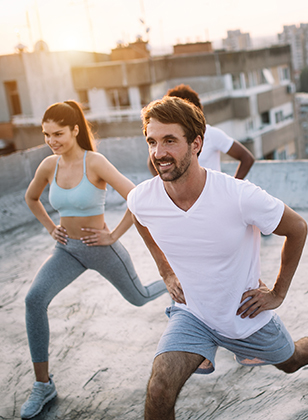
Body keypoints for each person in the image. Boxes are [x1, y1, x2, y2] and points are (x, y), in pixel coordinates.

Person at [128, 96, 308, 419]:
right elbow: (139, 217)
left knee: (292, 360)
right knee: (159, 387)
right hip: (193, 314)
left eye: (169, 141)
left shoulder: (238, 196)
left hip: (245, 314)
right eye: (152, 141)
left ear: (196, 143)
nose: (158, 153)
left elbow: (297, 228)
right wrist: (165, 271)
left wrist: (278, 293)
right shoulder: (143, 198)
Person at [21, 100, 168, 419]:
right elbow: (31, 198)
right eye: (46, 135)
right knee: (34, 300)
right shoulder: (49, 166)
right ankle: (43, 384)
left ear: (75, 130)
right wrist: (50, 228)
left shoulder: (96, 162)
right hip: (67, 250)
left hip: (101, 248)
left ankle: (176, 284)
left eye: (58, 134)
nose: (52, 141)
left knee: (139, 297)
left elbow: (136, 197)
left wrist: (113, 235)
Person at [146, 84, 254, 179]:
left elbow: (247, 158)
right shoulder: (162, 144)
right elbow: (152, 163)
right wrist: (164, 185)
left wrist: (231, 187)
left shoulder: (211, 134)